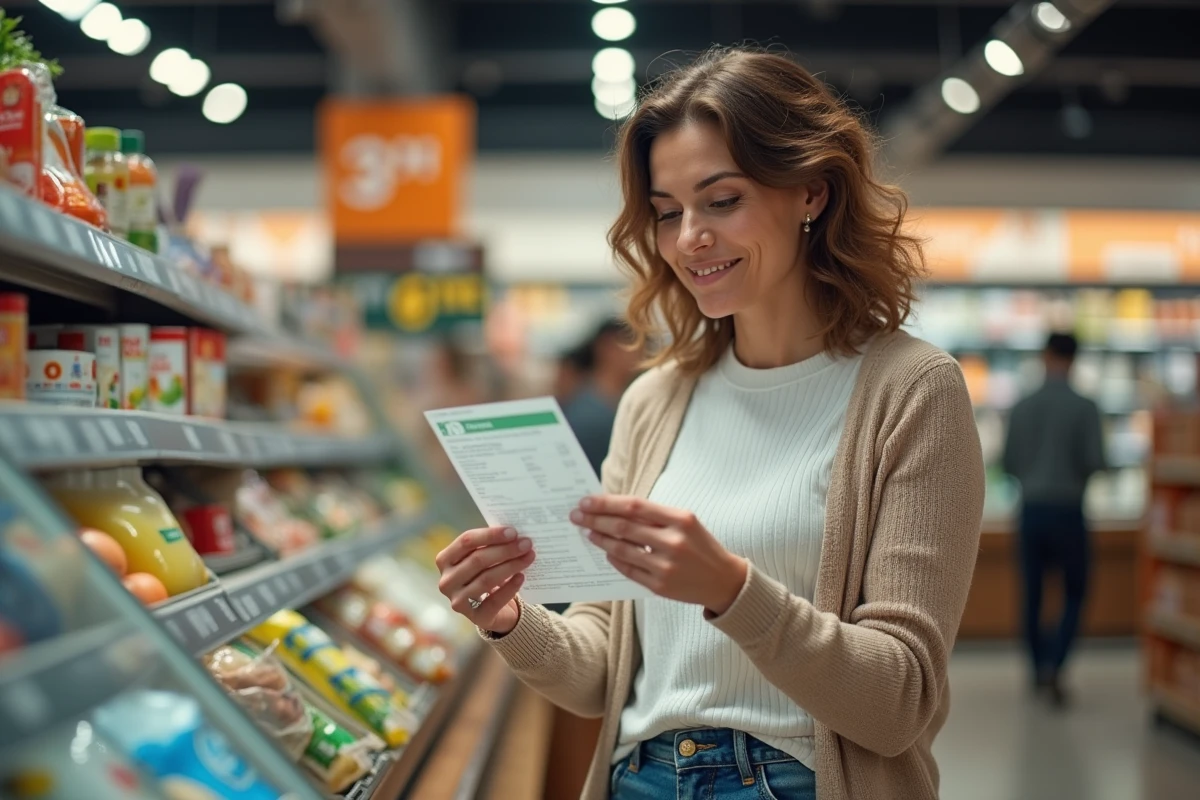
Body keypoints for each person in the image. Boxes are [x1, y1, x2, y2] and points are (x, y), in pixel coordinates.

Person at [434, 46, 984, 800]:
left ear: (812, 195)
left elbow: (899, 703)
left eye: (721, 201)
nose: (689, 236)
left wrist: (731, 590)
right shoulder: (653, 401)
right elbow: (603, 669)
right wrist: (507, 618)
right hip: (640, 779)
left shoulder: (912, 391)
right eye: (666, 213)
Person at [1003, 332, 1106, 707]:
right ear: (1075, 359)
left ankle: (1037, 665)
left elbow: (1009, 462)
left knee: (1032, 592)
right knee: (1075, 590)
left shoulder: (1023, 405)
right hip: (1069, 509)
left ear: (1045, 355)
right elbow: (1095, 461)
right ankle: (1055, 662)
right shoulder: (1085, 407)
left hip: (1031, 509)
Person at [562, 319, 643, 474]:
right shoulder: (584, 410)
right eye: (632, 343)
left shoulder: (627, 399)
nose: (640, 352)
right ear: (606, 347)